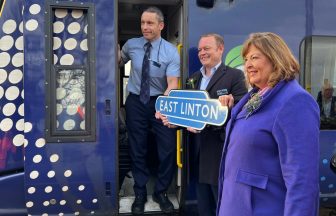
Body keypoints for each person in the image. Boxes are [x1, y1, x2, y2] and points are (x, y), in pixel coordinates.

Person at [217, 32, 320, 216]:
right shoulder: (254, 95)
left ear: (275, 58)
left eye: (255, 57)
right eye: (246, 59)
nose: (247, 65)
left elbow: (302, 182)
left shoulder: (295, 101)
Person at [159, 33, 247, 216]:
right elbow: (188, 112)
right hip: (195, 153)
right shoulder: (193, 78)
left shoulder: (235, 76)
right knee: (203, 206)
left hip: (219, 153)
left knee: (223, 206)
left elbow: (241, 110)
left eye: (206, 48)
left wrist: (229, 104)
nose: (201, 53)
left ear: (220, 49)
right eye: (199, 49)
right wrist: (176, 123)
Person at [118, 6, 180, 215]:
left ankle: (160, 192)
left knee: (168, 148)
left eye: (150, 23)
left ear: (161, 25)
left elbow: (172, 83)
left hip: (161, 100)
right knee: (138, 148)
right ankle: (140, 193)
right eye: (143, 23)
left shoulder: (170, 51)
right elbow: (118, 61)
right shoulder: (132, 45)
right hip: (136, 101)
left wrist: (163, 105)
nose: (145, 27)